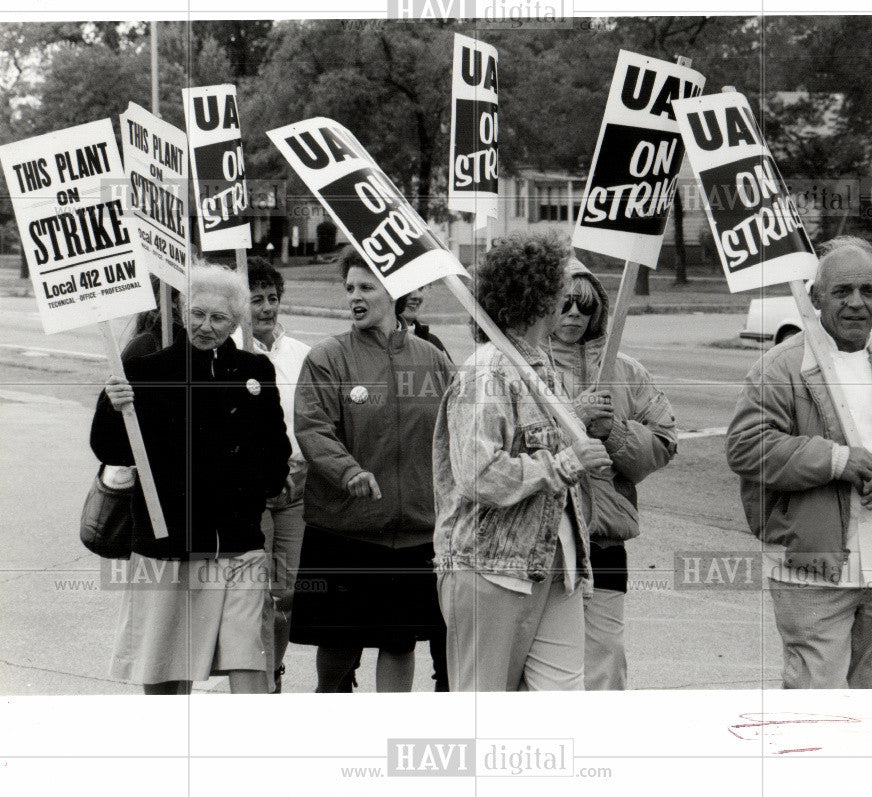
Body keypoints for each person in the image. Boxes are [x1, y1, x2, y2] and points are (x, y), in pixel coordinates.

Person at [726, 236, 872, 689]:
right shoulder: (779, 367)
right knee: (816, 700)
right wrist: (837, 460)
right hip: (811, 567)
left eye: (868, 292)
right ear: (815, 298)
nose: (856, 303)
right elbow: (746, 446)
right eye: (842, 291)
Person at [91, 262, 291, 694]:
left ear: (236, 320)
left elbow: (277, 449)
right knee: (164, 669)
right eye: (197, 313)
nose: (206, 325)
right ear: (182, 312)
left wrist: (260, 491)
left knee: (248, 659)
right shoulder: (147, 370)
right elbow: (111, 450)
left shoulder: (256, 371)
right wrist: (112, 404)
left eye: (218, 317)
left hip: (239, 545)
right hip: (170, 545)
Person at [433, 233, 613, 691]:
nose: (568, 302)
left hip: (556, 563)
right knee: (483, 707)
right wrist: (564, 464)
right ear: (540, 296)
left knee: (561, 702)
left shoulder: (541, 366)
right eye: (562, 290)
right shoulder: (487, 371)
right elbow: (478, 474)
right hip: (488, 567)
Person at [291, 250, 454, 692]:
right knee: (340, 641)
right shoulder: (328, 357)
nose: (355, 298)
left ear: (393, 292)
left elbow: (456, 431)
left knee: (399, 642)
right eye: (350, 289)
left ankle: (388, 731)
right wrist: (348, 472)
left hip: (416, 531)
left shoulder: (432, 358)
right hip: (346, 530)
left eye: (367, 288)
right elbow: (312, 427)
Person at [548, 257, 677, 690]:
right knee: (548, 662)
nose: (573, 315)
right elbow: (508, 444)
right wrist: (575, 417)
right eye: (564, 303)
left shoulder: (626, 371)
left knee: (606, 656)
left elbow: (662, 444)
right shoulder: (523, 366)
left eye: (585, 307)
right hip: (544, 538)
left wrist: (614, 433)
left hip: (604, 538)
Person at [243, 258, 313, 693]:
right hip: (251, 492)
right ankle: (260, 682)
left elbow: (316, 420)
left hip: (298, 490)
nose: (267, 308)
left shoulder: (304, 355)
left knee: (286, 595)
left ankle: (276, 671)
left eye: (272, 298)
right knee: (255, 597)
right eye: (256, 299)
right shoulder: (231, 355)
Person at [395, 285, 449, 358]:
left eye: (420, 288)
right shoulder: (378, 346)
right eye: (408, 288)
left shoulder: (433, 342)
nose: (417, 295)